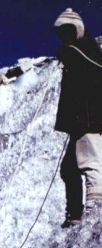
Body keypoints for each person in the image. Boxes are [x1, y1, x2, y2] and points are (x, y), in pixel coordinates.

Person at [53, 8, 102, 228]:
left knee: (90, 160)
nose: (65, 36)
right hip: (80, 120)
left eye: (68, 30)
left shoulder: (87, 49)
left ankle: (96, 205)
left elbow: (94, 68)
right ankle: (74, 214)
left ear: (78, 29)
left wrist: (71, 53)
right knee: (69, 169)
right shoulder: (75, 53)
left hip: (90, 117)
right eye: (62, 32)